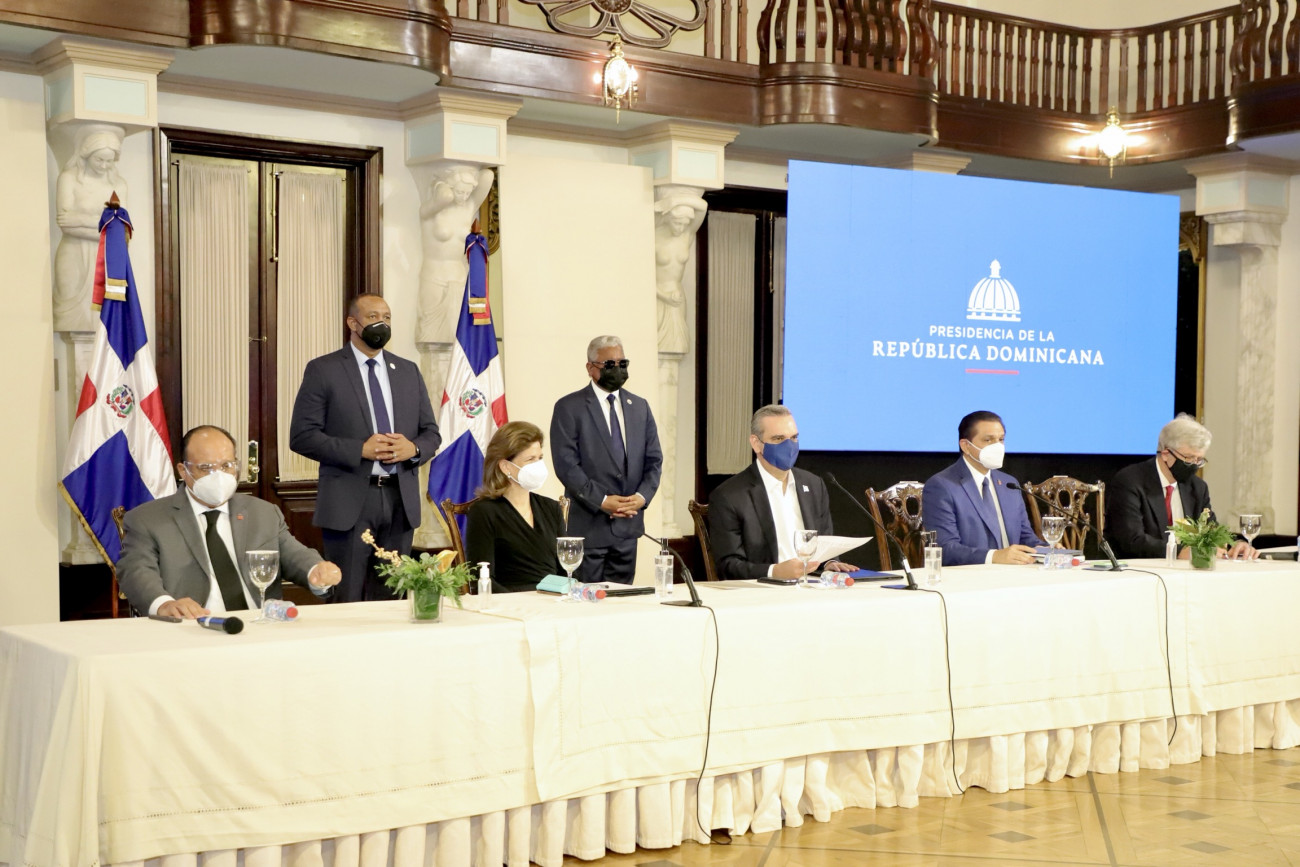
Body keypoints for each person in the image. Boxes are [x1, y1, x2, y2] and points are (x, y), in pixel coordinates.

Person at [289, 293, 441, 601]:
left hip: (400, 500)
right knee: (346, 598)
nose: (381, 323)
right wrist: (359, 449)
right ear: (352, 323)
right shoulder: (324, 370)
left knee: (392, 598)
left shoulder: (408, 371)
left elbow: (431, 434)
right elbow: (302, 436)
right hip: (349, 503)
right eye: (373, 317)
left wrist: (413, 449)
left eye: (387, 317)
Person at [118, 425, 342, 618]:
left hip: (260, 625)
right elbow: (136, 572)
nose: (219, 475)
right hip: (194, 626)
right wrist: (164, 604)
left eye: (226, 466)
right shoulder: (147, 519)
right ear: (183, 471)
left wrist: (315, 570)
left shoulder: (262, 512)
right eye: (206, 468)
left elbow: (293, 554)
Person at [550, 335, 662, 583]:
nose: (618, 369)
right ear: (591, 368)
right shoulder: (569, 407)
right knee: (586, 601)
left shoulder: (640, 407)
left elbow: (654, 461)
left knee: (622, 602)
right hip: (588, 529)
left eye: (622, 363)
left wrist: (641, 498)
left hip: (628, 529)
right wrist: (602, 500)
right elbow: (567, 466)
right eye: (609, 364)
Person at [708, 405, 859, 580]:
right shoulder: (730, 496)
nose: (789, 446)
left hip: (813, 584)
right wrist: (774, 571)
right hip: (764, 589)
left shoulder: (813, 485)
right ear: (756, 443)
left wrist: (829, 563)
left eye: (794, 437)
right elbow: (728, 566)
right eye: (779, 439)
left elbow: (824, 543)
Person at [1106, 414, 1257, 560]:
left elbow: (1212, 530)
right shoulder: (1130, 481)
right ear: (1166, 454)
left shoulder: (1197, 487)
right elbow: (1132, 540)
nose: (1194, 465)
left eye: (1199, 460)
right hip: (1139, 569)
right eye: (1189, 458)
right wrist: (1179, 552)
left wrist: (1235, 545)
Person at [922, 410, 1043, 566]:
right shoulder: (941, 486)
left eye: (1001, 439)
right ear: (966, 446)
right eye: (988, 440)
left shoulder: (1009, 483)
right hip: (971, 576)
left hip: (1015, 573)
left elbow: (1026, 537)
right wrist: (994, 556)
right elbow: (944, 549)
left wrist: (1047, 550)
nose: (997, 446)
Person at [464, 422, 565, 591]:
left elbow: (567, 570)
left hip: (553, 601)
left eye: (540, 458)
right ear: (506, 467)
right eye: (530, 459)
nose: (538, 465)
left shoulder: (551, 508)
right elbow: (481, 579)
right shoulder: (484, 512)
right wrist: (518, 603)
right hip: (509, 602)